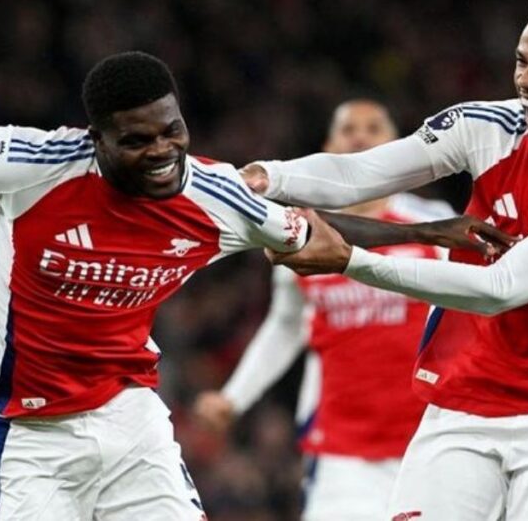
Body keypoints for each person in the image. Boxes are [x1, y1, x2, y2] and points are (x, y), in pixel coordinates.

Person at [0, 52, 504, 521]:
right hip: (27, 437)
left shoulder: (216, 195)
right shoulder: (33, 165)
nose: (163, 151)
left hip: (131, 421)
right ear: (97, 139)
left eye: (172, 130)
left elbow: (317, 235)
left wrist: (432, 234)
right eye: (138, 140)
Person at [243, 0, 528, 520]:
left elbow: (499, 289)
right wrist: (263, 178)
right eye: (521, 61)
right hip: (465, 400)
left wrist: (350, 260)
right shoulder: (485, 127)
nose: (526, 80)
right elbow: (361, 173)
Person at [193, 99, 454, 520]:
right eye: (348, 129)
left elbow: (473, 309)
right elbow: (285, 326)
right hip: (341, 449)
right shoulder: (298, 233)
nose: (360, 137)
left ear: (398, 147)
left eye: (374, 128)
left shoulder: (432, 225)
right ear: (328, 148)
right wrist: (234, 398)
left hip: (431, 436)